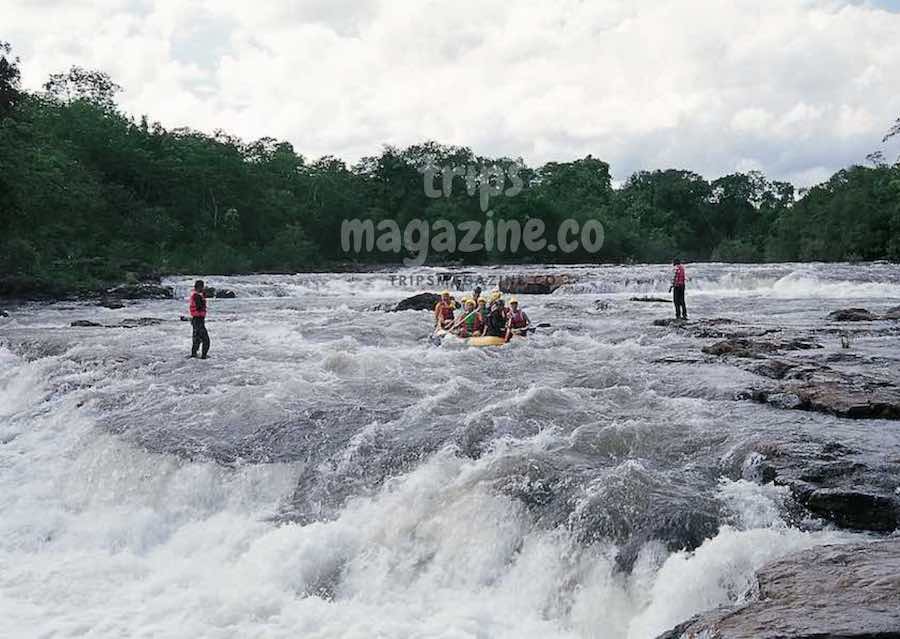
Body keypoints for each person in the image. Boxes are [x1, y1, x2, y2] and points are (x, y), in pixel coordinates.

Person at [188, 279, 210, 359]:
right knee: (206, 340)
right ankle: (204, 356)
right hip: (198, 320)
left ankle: (194, 356)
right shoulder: (197, 296)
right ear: (199, 287)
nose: (203, 288)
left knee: (196, 339)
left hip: (196, 320)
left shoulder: (196, 295)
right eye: (202, 286)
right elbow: (200, 306)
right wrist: (203, 298)